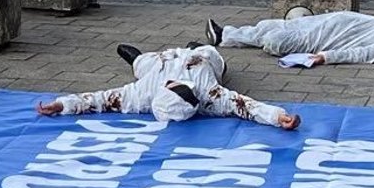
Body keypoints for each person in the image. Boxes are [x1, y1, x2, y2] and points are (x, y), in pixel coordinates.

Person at [37, 43, 300, 129]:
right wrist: (279, 116)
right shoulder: (211, 94)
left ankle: (135, 58)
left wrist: (62, 104)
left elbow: (99, 100)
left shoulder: (141, 93)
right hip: (202, 58)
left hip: (158, 62)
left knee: (141, 63)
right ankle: (195, 45)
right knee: (212, 55)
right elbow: (247, 107)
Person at [206, 10, 374, 67]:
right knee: (281, 25)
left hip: (329, 39)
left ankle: (226, 36)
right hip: (334, 22)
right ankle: (225, 35)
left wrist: (327, 57)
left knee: (277, 41)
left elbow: (363, 54)